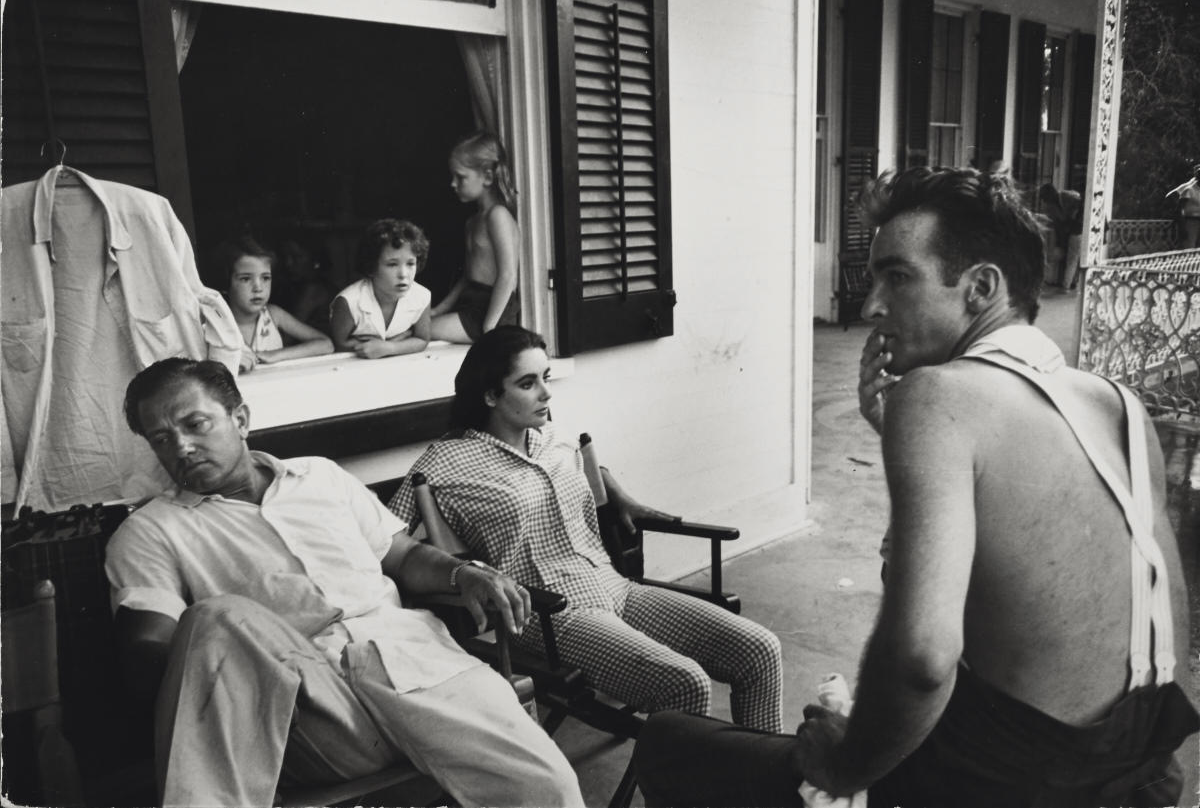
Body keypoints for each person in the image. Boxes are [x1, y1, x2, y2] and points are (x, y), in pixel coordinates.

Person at [632, 166, 1199, 807]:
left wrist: (844, 766)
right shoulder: (1118, 405)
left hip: (1013, 786)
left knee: (671, 741)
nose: (872, 305)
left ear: (980, 288)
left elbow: (922, 660)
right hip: (1145, 779)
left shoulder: (937, 396)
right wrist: (893, 436)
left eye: (897, 277)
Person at [106, 357, 584, 808]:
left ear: (241, 419)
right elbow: (156, 644)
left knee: (548, 787)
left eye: (195, 424)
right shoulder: (152, 531)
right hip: (312, 711)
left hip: (418, 669)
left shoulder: (321, 477)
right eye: (161, 439)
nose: (181, 448)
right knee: (216, 617)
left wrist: (465, 573)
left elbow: (405, 554)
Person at [388, 325, 784, 733]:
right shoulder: (445, 462)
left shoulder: (552, 437)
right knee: (685, 684)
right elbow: (385, 538)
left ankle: (764, 779)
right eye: (528, 383)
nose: (546, 393)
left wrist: (619, 494)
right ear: (490, 395)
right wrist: (462, 573)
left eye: (546, 378)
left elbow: (580, 472)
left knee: (759, 650)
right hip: (547, 617)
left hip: (614, 587)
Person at [430, 131, 520, 343]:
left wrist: (490, 326)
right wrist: (440, 308)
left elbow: (508, 275)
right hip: (471, 302)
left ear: (488, 177)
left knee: (424, 331)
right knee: (423, 324)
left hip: (492, 307)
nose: (453, 184)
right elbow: (467, 277)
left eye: (460, 177)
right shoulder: (472, 222)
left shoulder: (498, 216)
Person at [217, 235, 333, 373]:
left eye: (265, 278)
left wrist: (275, 355)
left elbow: (326, 344)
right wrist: (228, 359)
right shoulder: (216, 322)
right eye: (246, 279)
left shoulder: (273, 315)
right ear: (226, 282)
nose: (258, 288)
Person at [331, 218, 432, 358]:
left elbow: (422, 339)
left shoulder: (422, 296)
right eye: (392, 264)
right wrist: (388, 344)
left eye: (410, 264)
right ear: (371, 267)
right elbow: (339, 343)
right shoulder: (349, 302)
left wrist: (390, 347)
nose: (404, 274)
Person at [1166, 162, 1200, 248]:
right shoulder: (1189, 189)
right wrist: (1182, 226)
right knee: (1189, 249)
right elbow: (1178, 208)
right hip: (1191, 221)